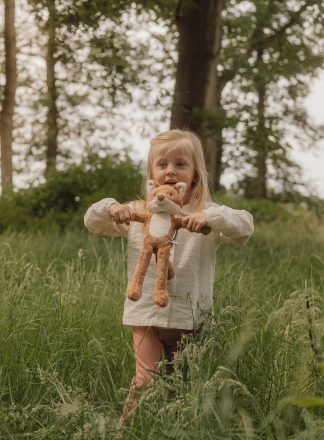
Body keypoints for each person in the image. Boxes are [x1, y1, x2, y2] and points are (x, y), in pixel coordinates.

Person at [83, 129, 254, 424]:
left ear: (195, 175)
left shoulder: (206, 215)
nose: (170, 171)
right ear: (152, 174)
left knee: (182, 388)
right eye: (162, 164)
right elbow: (92, 221)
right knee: (146, 379)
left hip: (191, 317)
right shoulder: (139, 213)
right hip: (146, 314)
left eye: (180, 164)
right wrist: (112, 207)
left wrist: (212, 218)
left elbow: (246, 227)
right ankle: (123, 439)